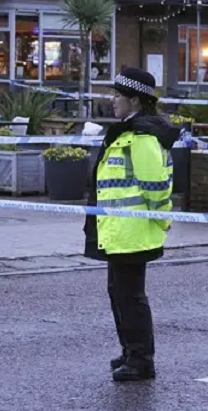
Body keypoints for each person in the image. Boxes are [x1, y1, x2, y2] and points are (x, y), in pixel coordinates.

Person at [83, 66, 179, 382]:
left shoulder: (141, 137)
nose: (112, 100)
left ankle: (141, 359)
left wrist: (161, 221)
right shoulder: (129, 131)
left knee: (130, 296)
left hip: (133, 231)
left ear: (135, 100)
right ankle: (130, 352)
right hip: (119, 231)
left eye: (118, 95)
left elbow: (155, 188)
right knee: (119, 293)